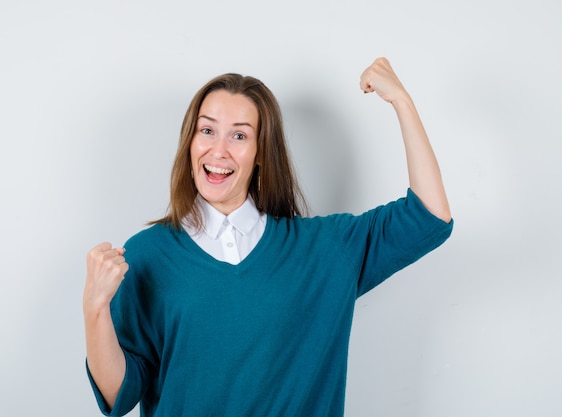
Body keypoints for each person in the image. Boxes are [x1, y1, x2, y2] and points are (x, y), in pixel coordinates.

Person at [83, 57, 453, 417]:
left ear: (261, 153)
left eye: (239, 135)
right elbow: (119, 394)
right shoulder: (147, 254)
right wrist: (95, 308)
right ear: (190, 141)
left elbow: (429, 217)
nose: (219, 150)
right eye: (207, 130)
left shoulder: (325, 248)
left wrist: (402, 101)